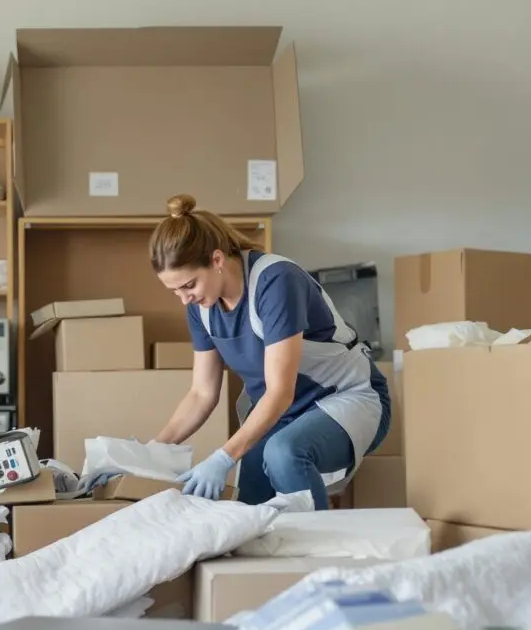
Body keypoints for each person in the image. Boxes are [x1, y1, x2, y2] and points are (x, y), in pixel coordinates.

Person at [149, 194, 390, 509]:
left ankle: (319, 551)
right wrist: (150, 452)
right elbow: (201, 394)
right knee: (248, 508)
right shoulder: (201, 307)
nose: (184, 298)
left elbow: (279, 392)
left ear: (217, 260)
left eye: (189, 285)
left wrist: (223, 456)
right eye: (175, 291)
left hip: (349, 397)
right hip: (281, 414)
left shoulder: (275, 282)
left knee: (283, 452)